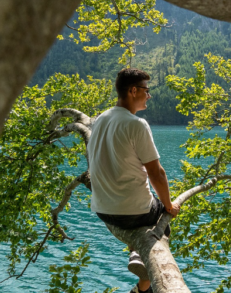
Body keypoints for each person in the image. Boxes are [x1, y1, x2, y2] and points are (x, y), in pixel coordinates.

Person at [87, 68, 181, 293]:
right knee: (162, 219)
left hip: (101, 209)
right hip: (132, 213)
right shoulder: (137, 125)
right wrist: (169, 205)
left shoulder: (99, 120)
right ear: (132, 91)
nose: (149, 95)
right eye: (146, 91)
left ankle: (139, 277)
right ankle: (142, 277)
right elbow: (157, 174)